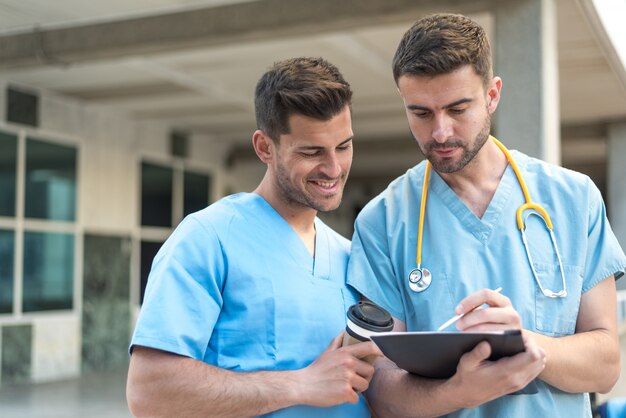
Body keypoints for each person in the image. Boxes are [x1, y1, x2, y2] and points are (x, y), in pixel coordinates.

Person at [347, 13, 626, 418]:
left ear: (492, 95)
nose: (440, 132)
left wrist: (528, 343)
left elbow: (605, 365)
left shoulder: (574, 198)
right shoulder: (383, 221)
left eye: (458, 108)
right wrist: (460, 391)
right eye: (421, 113)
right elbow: (380, 392)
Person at [126, 56, 382, 418]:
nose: (334, 168)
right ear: (264, 147)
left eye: (343, 146)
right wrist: (299, 384)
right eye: (312, 152)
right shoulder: (208, 240)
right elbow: (149, 392)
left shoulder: (350, 256)